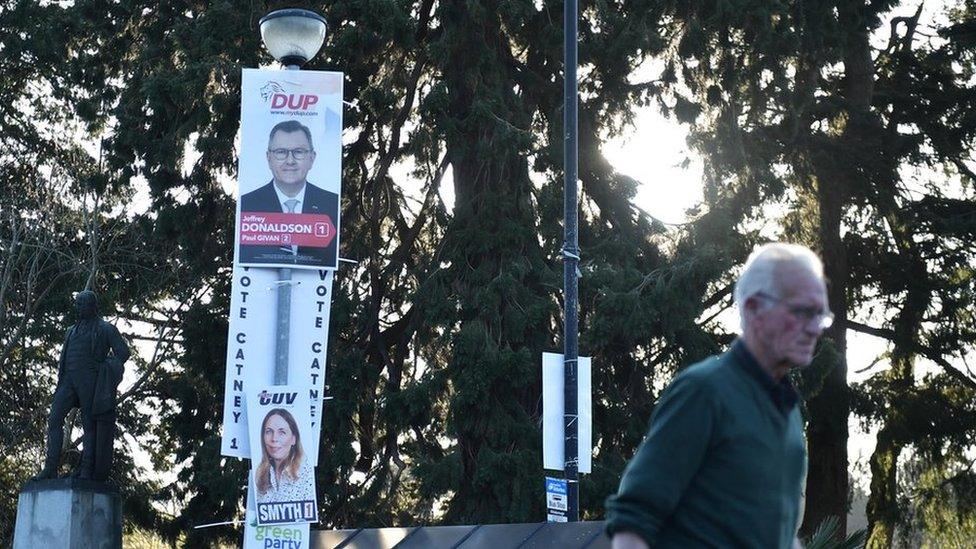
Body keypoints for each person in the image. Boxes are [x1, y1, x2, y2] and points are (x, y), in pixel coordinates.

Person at [606, 243, 832, 548]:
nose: (815, 329)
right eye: (803, 311)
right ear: (754, 309)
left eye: (820, 315)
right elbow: (634, 519)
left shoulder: (789, 411)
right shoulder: (704, 390)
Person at [35, 290, 130, 481]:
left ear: (92, 307)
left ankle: (87, 469)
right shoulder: (71, 330)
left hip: (90, 381)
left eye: (81, 304)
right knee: (54, 419)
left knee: (89, 424)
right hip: (68, 381)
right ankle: (50, 468)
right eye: (77, 304)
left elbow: (123, 353)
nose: (77, 308)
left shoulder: (106, 329)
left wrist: (104, 368)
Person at [239, 119, 339, 267]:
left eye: (298, 152)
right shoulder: (247, 205)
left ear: (312, 158)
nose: (290, 161)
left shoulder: (331, 204)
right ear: (269, 158)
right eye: (281, 152)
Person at [255, 408, 314, 504]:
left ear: (293, 439)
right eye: (269, 431)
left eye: (282, 432)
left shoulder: (305, 472)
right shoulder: (260, 473)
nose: (274, 439)